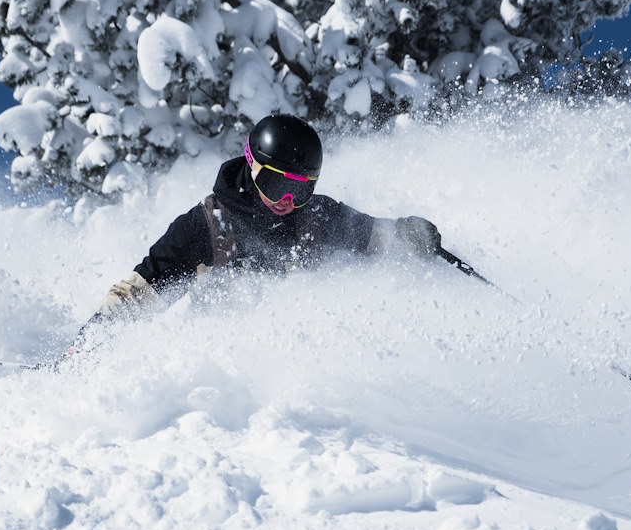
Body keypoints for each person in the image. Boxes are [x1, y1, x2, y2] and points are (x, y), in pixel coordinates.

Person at [61, 114, 441, 361]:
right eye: (275, 184)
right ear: (252, 164)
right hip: (226, 367)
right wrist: (91, 343)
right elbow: (140, 291)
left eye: (301, 190)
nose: (287, 201)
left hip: (310, 365)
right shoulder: (206, 226)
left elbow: (372, 236)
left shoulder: (317, 216)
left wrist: (408, 235)